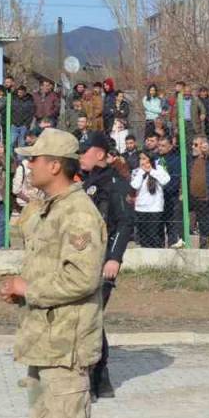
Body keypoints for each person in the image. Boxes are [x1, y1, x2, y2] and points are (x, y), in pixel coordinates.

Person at [0, 128, 104, 418]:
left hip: (66, 343)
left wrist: (30, 289)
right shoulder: (48, 207)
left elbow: (82, 278)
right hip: (41, 339)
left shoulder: (78, 213)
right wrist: (22, 291)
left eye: (35, 159)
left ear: (55, 165)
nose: (29, 165)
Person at [79, 132, 132, 399]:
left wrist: (114, 257)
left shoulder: (114, 183)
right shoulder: (86, 181)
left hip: (103, 261)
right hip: (85, 260)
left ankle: (96, 377)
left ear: (99, 153)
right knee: (88, 317)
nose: (81, 156)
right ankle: (100, 379)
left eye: (85, 151)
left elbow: (125, 222)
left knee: (90, 316)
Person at [130, 152, 171, 248]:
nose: (142, 161)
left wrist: (151, 171)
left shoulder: (158, 168)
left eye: (144, 158)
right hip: (141, 208)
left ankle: (157, 254)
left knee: (154, 235)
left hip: (155, 208)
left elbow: (165, 180)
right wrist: (142, 172)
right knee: (144, 236)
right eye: (140, 159)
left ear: (150, 159)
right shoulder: (137, 171)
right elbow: (135, 185)